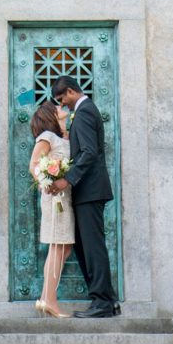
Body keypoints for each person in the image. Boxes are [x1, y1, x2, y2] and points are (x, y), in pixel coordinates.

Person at [50, 75, 120, 319]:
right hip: (87, 191)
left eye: (63, 100)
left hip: (90, 191)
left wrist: (66, 179)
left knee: (92, 248)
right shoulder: (82, 112)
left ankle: (102, 302)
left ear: (71, 91)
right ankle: (108, 300)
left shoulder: (85, 111)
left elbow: (89, 153)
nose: (63, 105)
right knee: (86, 247)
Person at [28, 101, 74, 318]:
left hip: (67, 198)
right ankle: (49, 300)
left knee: (63, 247)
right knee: (59, 246)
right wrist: (47, 182)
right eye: (57, 107)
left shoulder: (64, 137)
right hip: (56, 198)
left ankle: (47, 298)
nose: (62, 107)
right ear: (51, 115)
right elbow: (35, 164)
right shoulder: (48, 136)